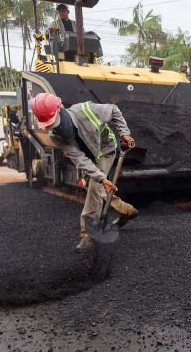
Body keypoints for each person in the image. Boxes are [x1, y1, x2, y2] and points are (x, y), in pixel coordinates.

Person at [30, 93, 139, 252]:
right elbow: (80, 159)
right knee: (98, 187)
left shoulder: (86, 110)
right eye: (48, 125)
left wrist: (124, 132)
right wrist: (102, 178)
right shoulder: (54, 136)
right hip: (88, 157)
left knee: (95, 186)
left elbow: (114, 110)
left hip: (105, 150)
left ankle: (87, 235)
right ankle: (127, 211)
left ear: (60, 109)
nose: (53, 128)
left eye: (53, 122)